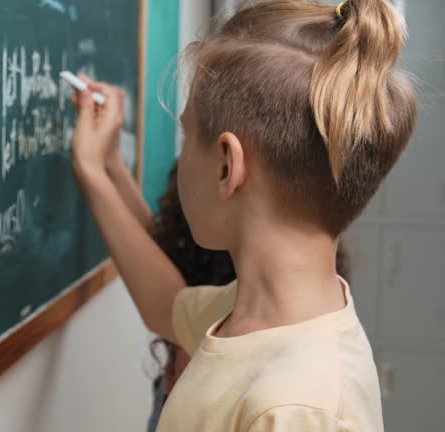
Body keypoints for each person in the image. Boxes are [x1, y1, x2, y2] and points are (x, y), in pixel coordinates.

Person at [71, 0, 417, 431]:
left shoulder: (299, 410)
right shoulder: (255, 311)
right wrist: (99, 170)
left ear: (225, 165)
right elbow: (166, 306)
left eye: (187, 135)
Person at [143, 163, 353, 432]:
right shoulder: (304, 306)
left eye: (189, 138)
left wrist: (95, 169)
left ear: (227, 169)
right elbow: (163, 295)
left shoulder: (296, 405)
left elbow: (162, 300)